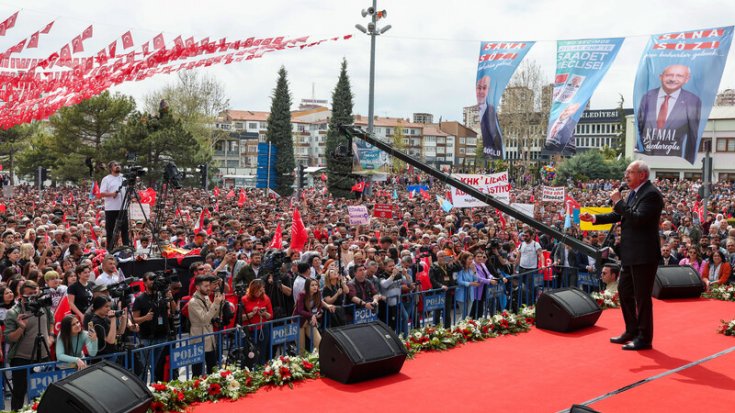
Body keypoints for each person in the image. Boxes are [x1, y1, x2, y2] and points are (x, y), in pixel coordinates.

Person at [581, 160, 664, 350]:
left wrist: (618, 201)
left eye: (630, 172)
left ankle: (644, 337)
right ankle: (631, 330)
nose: (625, 176)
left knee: (642, 298)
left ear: (642, 175)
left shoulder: (651, 195)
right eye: (626, 172)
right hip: (630, 254)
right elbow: (620, 215)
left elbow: (637, 219)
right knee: (625, 293)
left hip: (644, 255)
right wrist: (594, 218)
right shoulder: (635, 193)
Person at [637, 64, 702, 164]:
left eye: (679, 76)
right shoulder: (647, 97)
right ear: (661, 77)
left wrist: (689, 161)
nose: (673, 79)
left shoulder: (693, 101)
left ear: (686, 79)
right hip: (647, 155)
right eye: (669, 75)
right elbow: (639, 128)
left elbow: (693, 135)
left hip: (676, 157)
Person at [4, 281, 53, 411]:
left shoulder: (44, 307)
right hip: (21, 359)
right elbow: (9, 338)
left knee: (44, 392)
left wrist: (51, 337)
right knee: (19, 392)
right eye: (29, 295)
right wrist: (21, 327)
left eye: (35, 294)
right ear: (21, 296)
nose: (33, 297)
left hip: (43, 356)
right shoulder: (13, 312)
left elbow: (51, 321)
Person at [131, 272, 176, 382]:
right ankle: (144, 389)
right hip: (147, 338)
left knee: (158, 367)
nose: (153, 282)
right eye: (151, 279)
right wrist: (145, 318)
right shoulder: (140, 299)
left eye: (155, 279)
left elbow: (173, 311)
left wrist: (171, 299)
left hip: (163, 336)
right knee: (145, 367)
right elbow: (134, 320)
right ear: (145, 282)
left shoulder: (162, 295)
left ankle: (157, 386)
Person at [188, 275, 225, 377]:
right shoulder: (193, 302)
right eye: (205, 286)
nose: (208, 288)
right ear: (197, 287)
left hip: (210, 337)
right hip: (199, 337)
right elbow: (205, 319)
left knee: (212, 366)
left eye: (209, 285)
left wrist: (220, 303)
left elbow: (214, 315)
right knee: (197, 370)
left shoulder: (206, 297)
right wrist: (216, 304)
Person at [293, 278, 333, 354]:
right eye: (312, 285)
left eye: (316, 285)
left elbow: (319, 304)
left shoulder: (318, 294)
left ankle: (319, 363)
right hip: (299, 322)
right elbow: (300, 310)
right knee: (301, 349)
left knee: (320, 343)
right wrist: (312, 315)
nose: (315, 287)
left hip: (309, 321)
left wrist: (320, 311)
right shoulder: (302, 294)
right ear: (307, 286)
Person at [99, 161, 130, 246]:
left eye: (119, 165)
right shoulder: (106, 179)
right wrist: (112, 194)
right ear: (110, 168)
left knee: (124, 229)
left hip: (123, 208)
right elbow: (101, 193)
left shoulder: (124, 178)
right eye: (115, 165)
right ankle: (110, 248)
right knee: (110, 230)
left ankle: (126, 246)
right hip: (111, 208)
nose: (118, 166)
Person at [476, 75, 502, 158]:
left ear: (488, 90)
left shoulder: (491, 111)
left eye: (484, 88)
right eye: (479, 88)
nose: (481, 91)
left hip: (491, 155)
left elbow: (496, 138)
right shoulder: (476, 112)